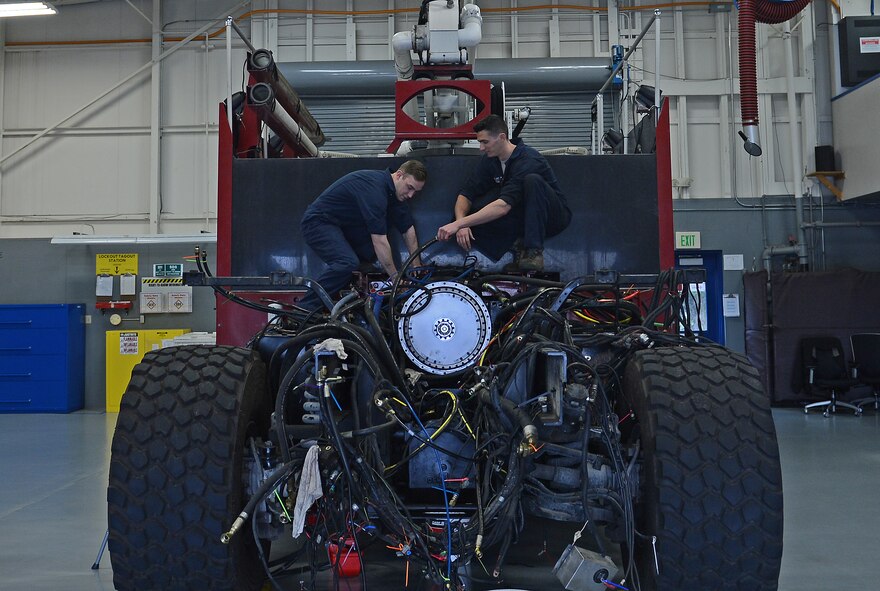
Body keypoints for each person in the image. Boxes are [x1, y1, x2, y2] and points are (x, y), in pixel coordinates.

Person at [436, 114, 571, 271]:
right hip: (521, 214)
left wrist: (458, 224)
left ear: (502, 137)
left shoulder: (529, 160)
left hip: (551, 217)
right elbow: (466, 193)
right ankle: (518, 246)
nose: (481, 148)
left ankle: (533, 251)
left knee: (532, 181)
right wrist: (460, 223)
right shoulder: (490, 160)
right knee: (467, 214)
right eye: (480, 142)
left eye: (485, 142)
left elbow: (503, 207)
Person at [299, 160, 427, 310]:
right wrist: (395, 279)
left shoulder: (395, 195)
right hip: (318, 222)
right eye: (410, 188)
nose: (411, 195)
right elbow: (379, 241)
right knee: (346, 263)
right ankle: (304, 310)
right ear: (399, 175)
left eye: (415, 192)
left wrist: (416, 265)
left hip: (343, 228)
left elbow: (408, 229)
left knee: (368, 267)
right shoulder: (375, 189)